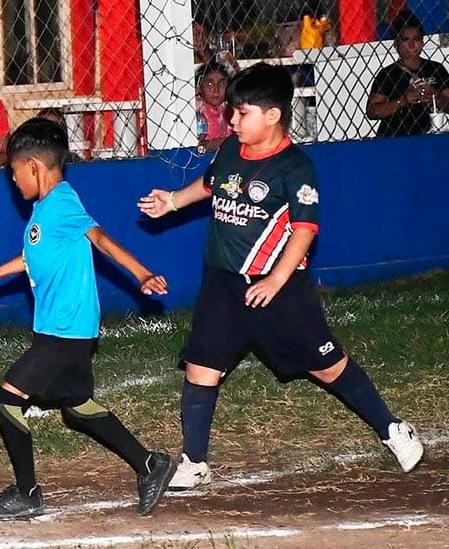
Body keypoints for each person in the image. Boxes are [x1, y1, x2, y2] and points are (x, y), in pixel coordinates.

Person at [137, 63, 424, 491]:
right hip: (223, 283)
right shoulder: (230, 151)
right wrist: (173, 201)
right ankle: (195, 462)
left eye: (242, 112)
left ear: (272, 116)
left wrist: (275, 281)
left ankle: (393, 428)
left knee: (327, 367)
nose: (232, 120)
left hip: (279, 288)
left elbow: (304, 230)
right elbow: (212, 185)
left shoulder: (295, 168)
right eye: (232, 112)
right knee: (201, 367)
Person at [0, 117, 176, 521]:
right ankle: (151, 464)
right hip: (60, 331)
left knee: (6, 403)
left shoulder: (62, 202)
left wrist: (142, 274)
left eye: (13, 172)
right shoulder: (45, 210)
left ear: (33, 167)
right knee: (77, 407)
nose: (13, 181)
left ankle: (27, 493)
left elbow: (100, 239)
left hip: (64, 333)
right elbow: (34, 255)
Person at [367, 10, 449, 137]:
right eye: (406, 39)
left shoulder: (436, 68)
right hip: (395, 137)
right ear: (396, 43)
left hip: (430, 137)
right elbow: (372, 112)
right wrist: (404, 100)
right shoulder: (388, 74)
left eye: (416, 39)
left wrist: (435, 98)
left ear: (422, 42)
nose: (411, 44)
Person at [195, 60, 232, 151]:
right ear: (199, 86)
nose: (216, 89)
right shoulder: (197, 109)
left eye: (222, 83)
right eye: (210, 84)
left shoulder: (227, 108)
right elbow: (200, 146)